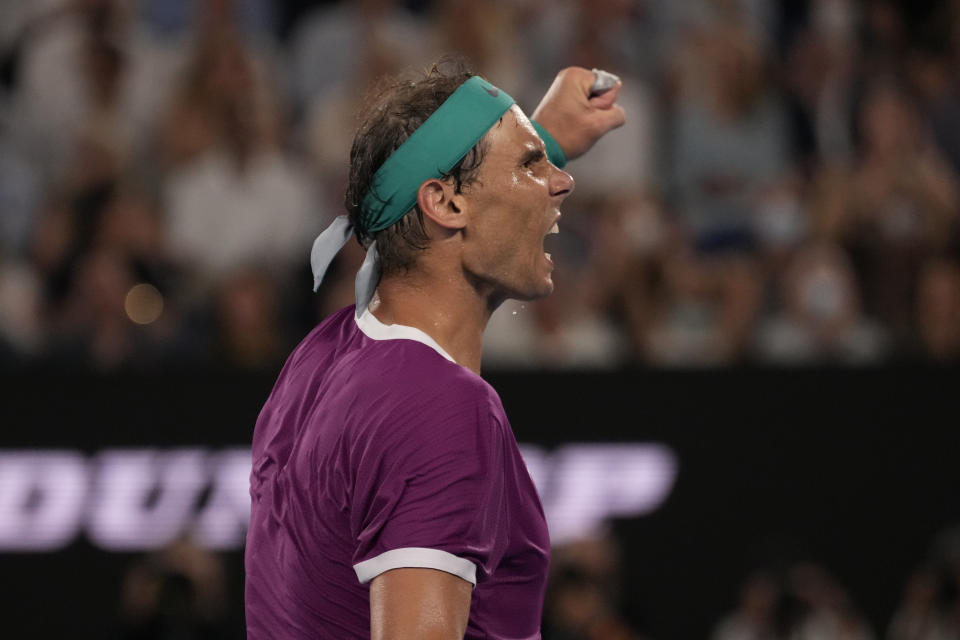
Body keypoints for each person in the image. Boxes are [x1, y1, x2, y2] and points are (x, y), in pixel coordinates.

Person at [244, 59, 625, 639]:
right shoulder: (441, 408)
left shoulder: (321, 357)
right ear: (444, 203)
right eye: (531, 163)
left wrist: (539, 136)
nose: (561, 180)